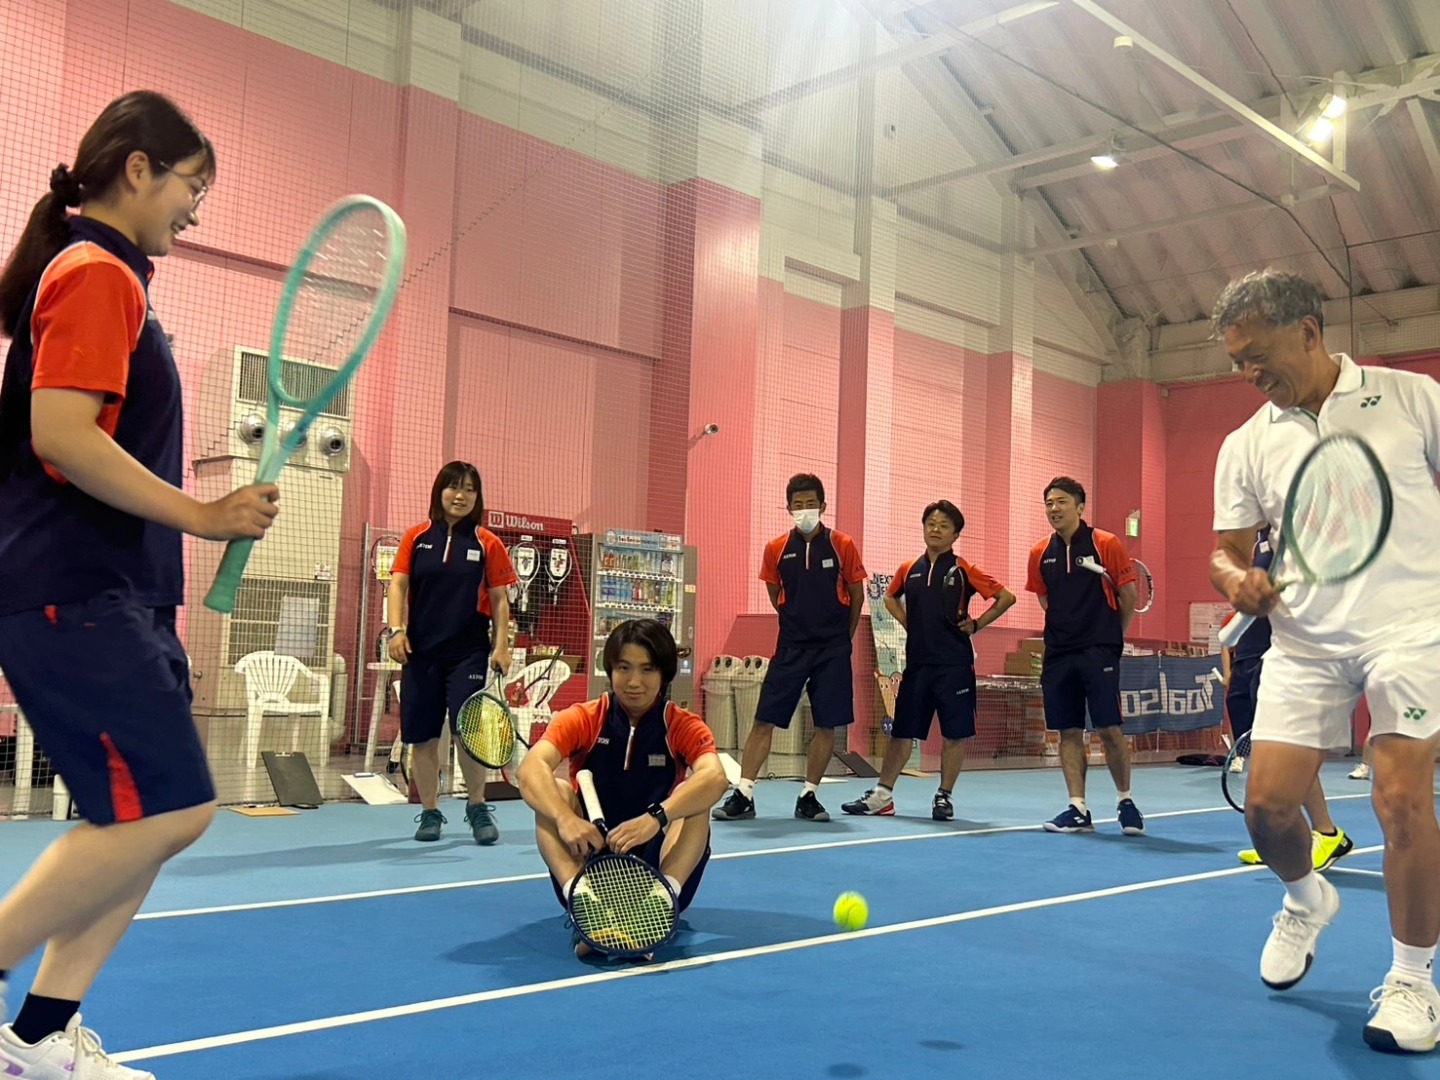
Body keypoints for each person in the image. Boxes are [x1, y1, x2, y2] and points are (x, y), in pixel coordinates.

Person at [0, 91, 278, 1078]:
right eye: (192, 184)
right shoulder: (94, 272)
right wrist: (204, 514)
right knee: (172, 811)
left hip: (117, 594)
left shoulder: (116, 279)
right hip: (71, 591)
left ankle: (38, 1040)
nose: (196, 208)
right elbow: (62, 435)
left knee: (136, 824)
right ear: (137, 170)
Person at [1209, 267, 1440, 1053]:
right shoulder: (1247, 443)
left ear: (1308, 332)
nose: (1247, 372)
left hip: (1410, 631)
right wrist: (1235, 581)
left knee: (1400, 797)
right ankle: (1307, 899)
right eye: (1237, 360)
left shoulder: (1410, 399)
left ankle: (1412, 981)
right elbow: (1224, 550)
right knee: (1268, 810)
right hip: (1305, 641)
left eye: (1256, 354)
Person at [517, 619, 727, 959]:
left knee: (697, 797)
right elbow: (530, 769)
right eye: (624, 668)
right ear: (610, 669)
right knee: (553, 791)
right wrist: (565, 818)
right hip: (592, 862)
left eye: (647, 669)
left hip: (656, 864)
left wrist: (656, 817)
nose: (634, 682)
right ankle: (584, 904)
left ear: (664, 674)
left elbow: (715, 778)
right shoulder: (584, 717)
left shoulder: (681, 724)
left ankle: (658, 906)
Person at [843, 500, 1014, 820]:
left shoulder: (964, 569)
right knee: (901, 733)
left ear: (955, 534)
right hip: (918, 666)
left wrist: (978, 624)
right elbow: (889, 597)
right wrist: (907, 621)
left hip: (954, 666)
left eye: (944, 526)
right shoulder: (909, 569)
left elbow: (1006, 597)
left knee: (954, 735)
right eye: (931, 524)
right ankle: (882, 796)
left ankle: (943, 796)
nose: (935, 529)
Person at [713, 473, 867, 823]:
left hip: (832, 649)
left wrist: (844, 637)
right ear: (788, 509)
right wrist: (796, 620)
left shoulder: (842, 544)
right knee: (764, 720)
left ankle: (808, 796)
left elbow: (856, 594)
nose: (805, 510)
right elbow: (775, 593)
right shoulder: (776, 548)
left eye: (811, 503)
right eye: (798, 505)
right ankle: (744, 794)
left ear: (823, 506)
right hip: (791, 647)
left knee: (826, 725)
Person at [385, 461, 515, 844]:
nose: (461, 496)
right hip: (420, 653)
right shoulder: (416, 538)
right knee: (423, 738)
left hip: (468, 654)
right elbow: (398, 586)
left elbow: (500, 600)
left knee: (467, 734)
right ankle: (430, 812)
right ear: (439, 491)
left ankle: (477, 807)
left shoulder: (487, 543)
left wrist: (502, 645)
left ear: (477, 497)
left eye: (470, 489)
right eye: (454, 487)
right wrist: (396, 631)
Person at [1224, 529, 1353, 871]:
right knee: (1266, 752)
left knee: (1287, 750)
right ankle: (1278, 841)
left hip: (1281, 653)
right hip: (1250, 653)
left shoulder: (1301, 533)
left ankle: (1326, 833)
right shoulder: (1259, 539)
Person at [1026, 477, 1145, 836]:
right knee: (1069, 731)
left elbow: (1128, 596)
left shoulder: (1106, 543)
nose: (1054, 508)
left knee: (1109, 728)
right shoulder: (1039, 552)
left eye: (1061, 501)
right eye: (1049, 503)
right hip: (1059, 653)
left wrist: (1111, 637)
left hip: (1098, 650)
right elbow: (1045, 598)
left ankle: (1126, 801)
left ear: (1080, 507)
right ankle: (1078, 809)